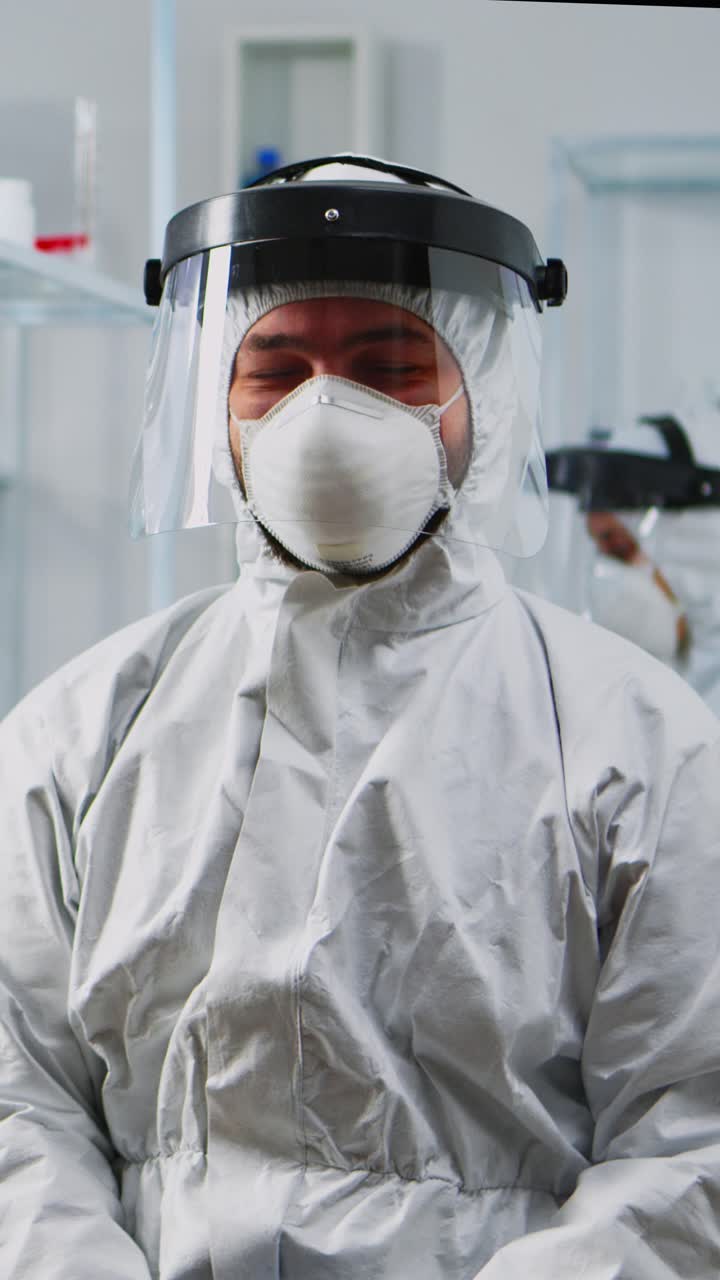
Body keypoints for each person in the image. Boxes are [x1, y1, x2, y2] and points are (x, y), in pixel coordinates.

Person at [1, 154, 720, 1280]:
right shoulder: (79, 736)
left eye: (389, 364)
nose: (323, 416)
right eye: (274, 368)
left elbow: (690, 1129)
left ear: (482, 388)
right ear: (218, 408)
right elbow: (17, 1098)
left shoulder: (638, 745)